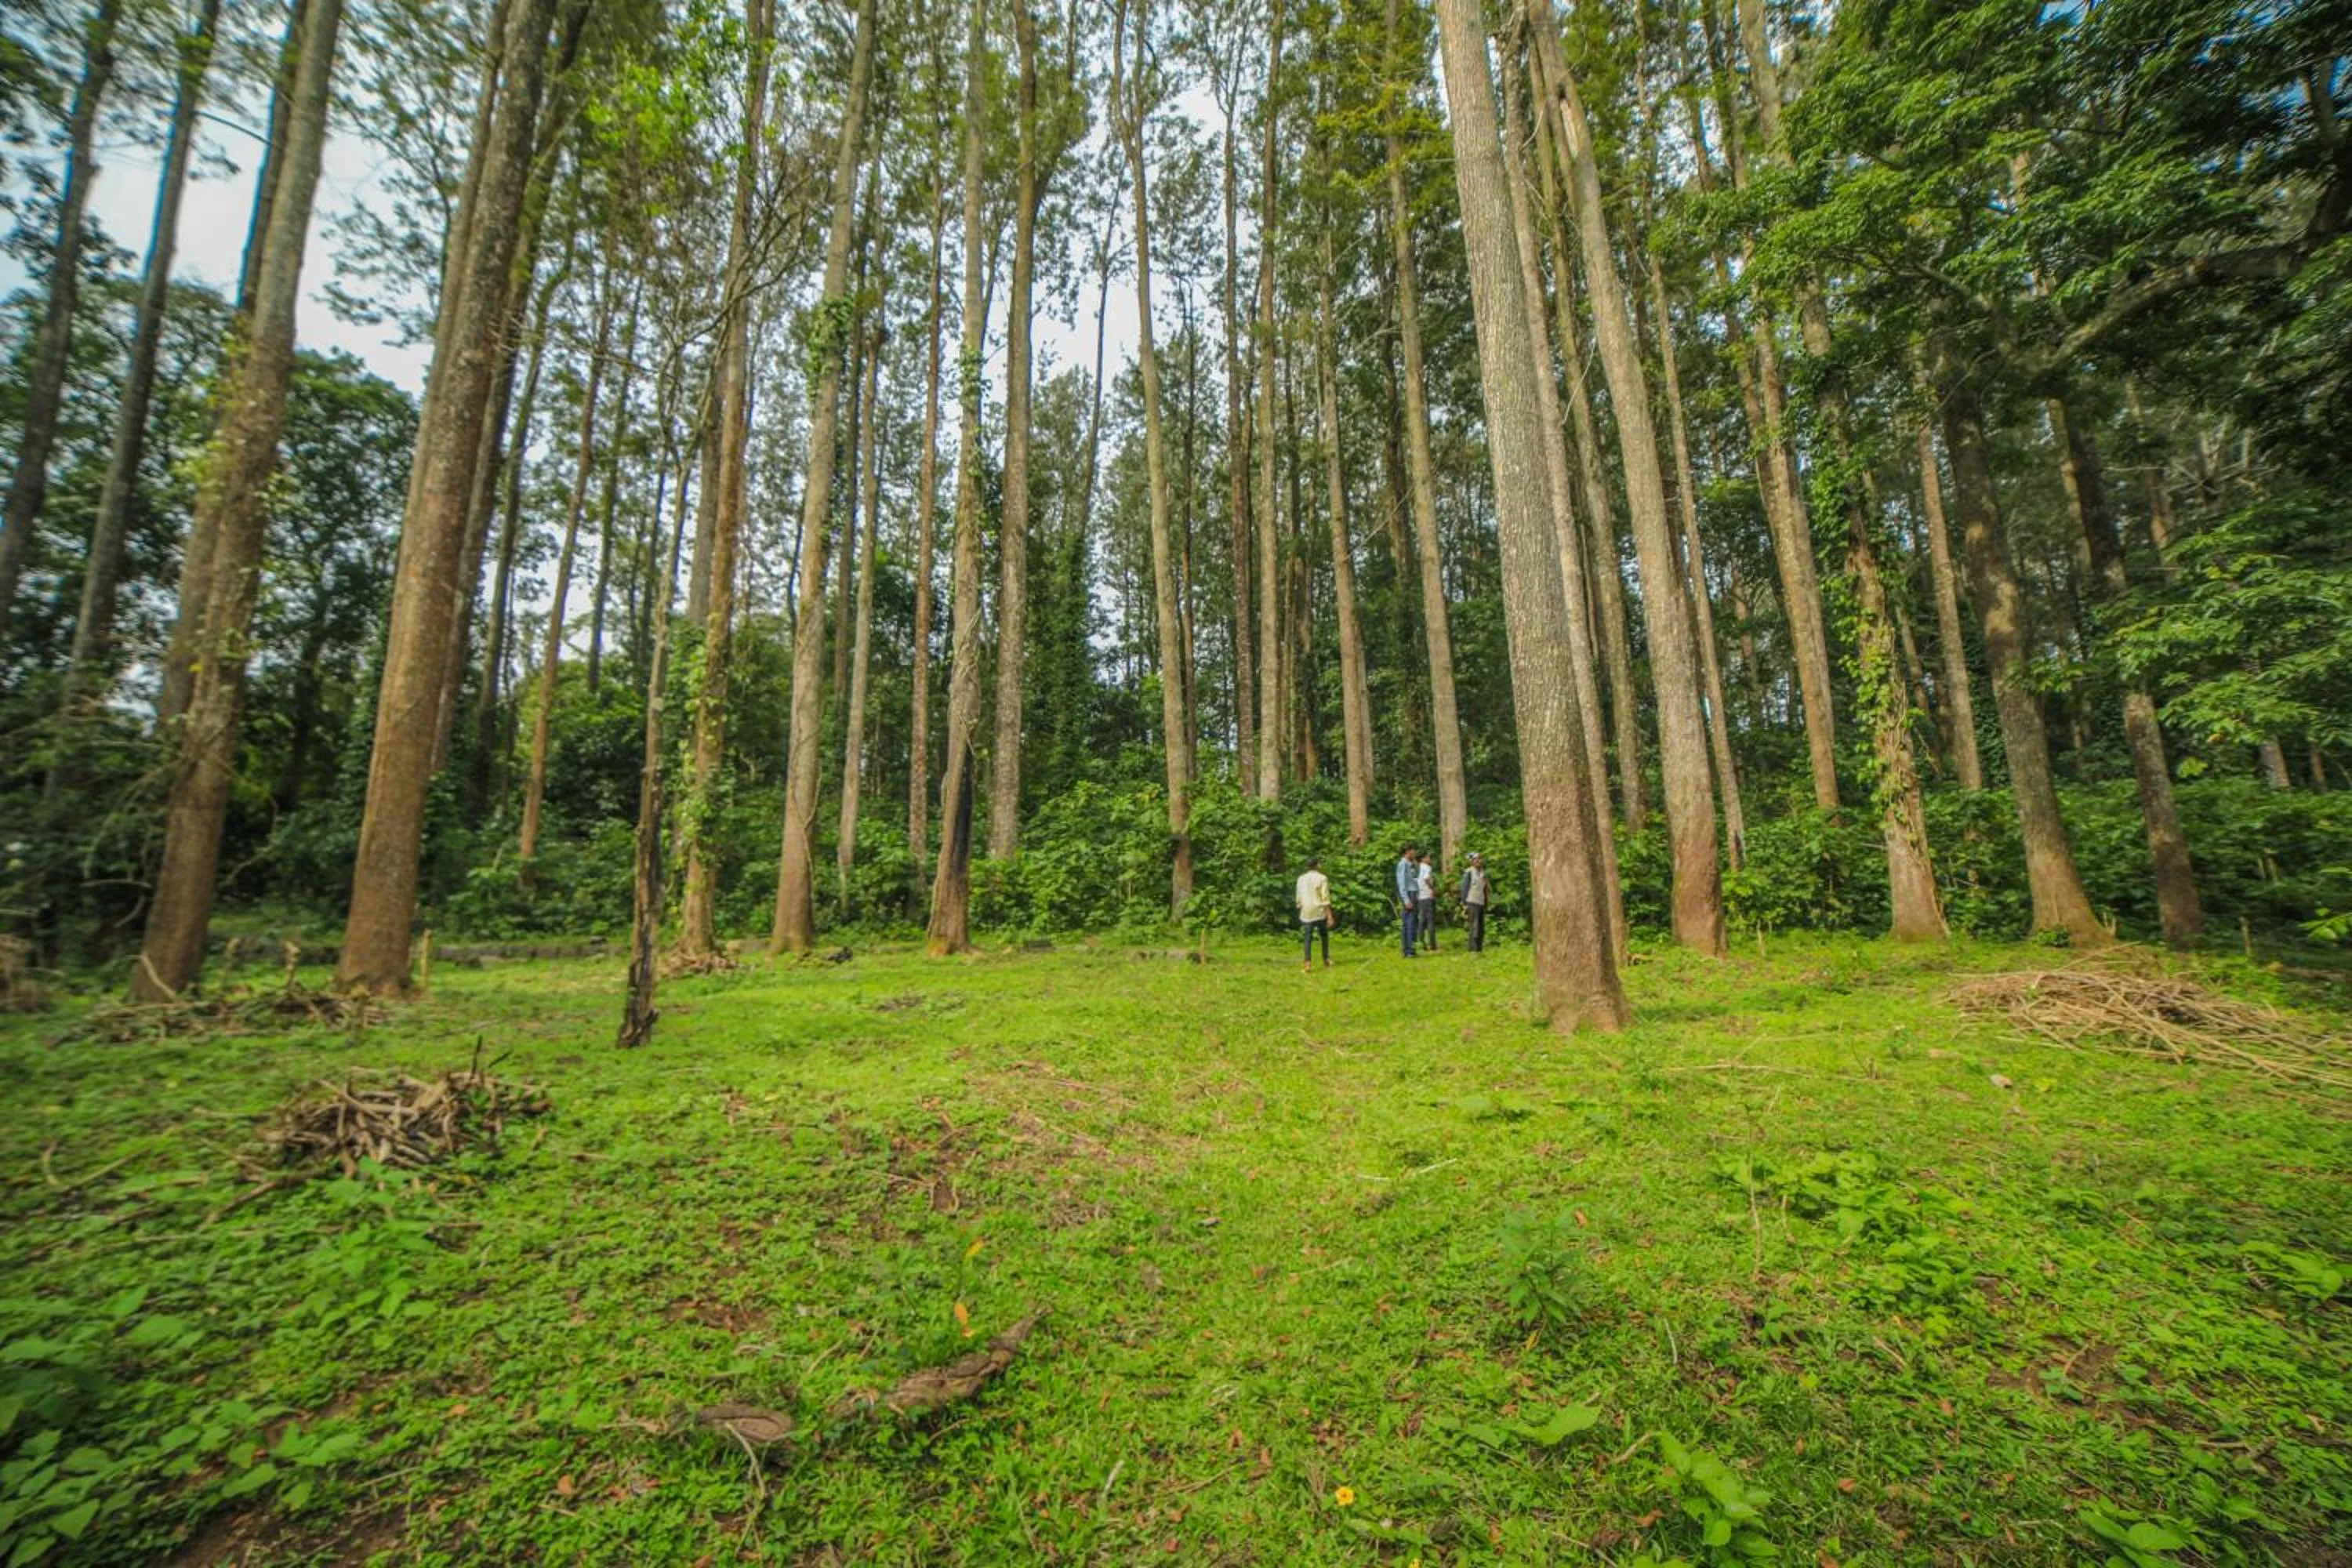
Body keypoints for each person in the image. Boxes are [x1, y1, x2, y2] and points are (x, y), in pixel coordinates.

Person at [1295, 856, 1334, 971]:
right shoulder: (1322, 878)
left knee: (1307, 937)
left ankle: (1307, 963)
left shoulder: (1301, 879)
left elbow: (1298, 897)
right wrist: (1330, 916)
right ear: (1317, 865)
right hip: (1319, 911)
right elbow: (1325, 897)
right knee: (1324, 935)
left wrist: (1300, 906)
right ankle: (1326, 959)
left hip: (1306, 911)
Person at [1459, 851, 1490, 953]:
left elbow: (1485, 889)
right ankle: (1473, 948)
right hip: (1472, 902)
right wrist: (1464, 904)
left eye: (1480, 859)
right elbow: (1464, 889)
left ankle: (1479, 948)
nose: (1479, 861)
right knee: (1474, 926)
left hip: (1481, 902)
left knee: (1481, 927)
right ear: (1471, 861)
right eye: (1477, 859)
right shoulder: (1468, 872)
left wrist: (1486, 901)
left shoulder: (1482, 873)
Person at [1395, 844, 1421, 956]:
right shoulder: (1403, 864)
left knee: (1413, 922)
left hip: (1414, 893)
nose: (1415, 853)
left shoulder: (1411, 865)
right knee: (1408, 922)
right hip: (1408, 894)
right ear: (1407, 852)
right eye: (1413, 851)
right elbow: (1401, 883)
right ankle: (1408, 950)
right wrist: (1406, 900)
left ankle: (1412, 948)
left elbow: (1416, 877)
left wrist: (1416, 864)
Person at [1416, 850, 1439, 952]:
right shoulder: (1427, 868)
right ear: (1423, 859)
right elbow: (1426, 879)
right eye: (1428, 857)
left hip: (1420, 896)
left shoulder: (1417, 868)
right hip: (1428, 896)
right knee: (1430, 921)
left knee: (1422, 921)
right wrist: (1433, 889)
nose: (1430, 859)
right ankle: (1432, 944)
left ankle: (1421, 942)